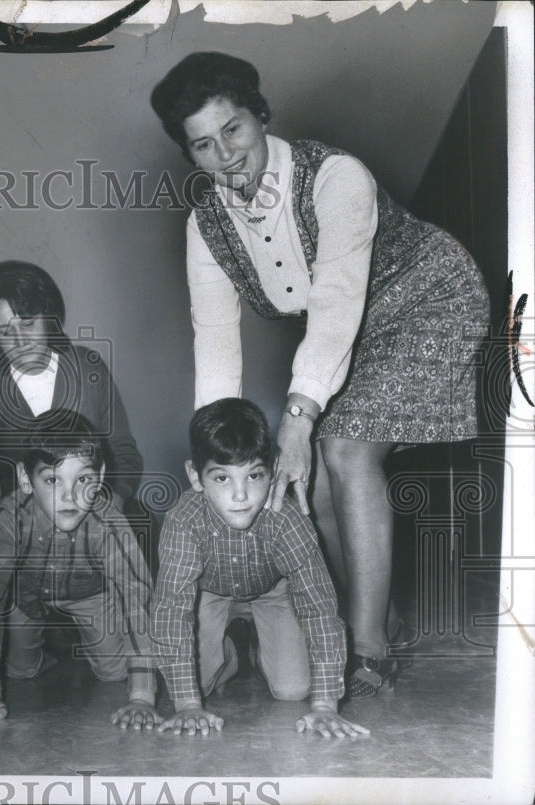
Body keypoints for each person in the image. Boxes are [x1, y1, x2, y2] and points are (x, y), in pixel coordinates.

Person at [149, 52, 490, 697]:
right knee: (317, 488)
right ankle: (378, 614)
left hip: (426, 300)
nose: (225, 154)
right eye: (202, 145)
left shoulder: (336, 176)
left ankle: (367, 649)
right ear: (188, 155)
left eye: (234, 130)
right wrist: (221, 455)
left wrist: (300, 415)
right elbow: (217, 340)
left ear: (262, 117)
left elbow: (334, 302)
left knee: (341, 446)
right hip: (352, 334)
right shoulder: (207, 227)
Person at [151, 398, 368, 739]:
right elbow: (172, 611)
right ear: (195, 476)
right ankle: (232, 654)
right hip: (207, 593)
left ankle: (260, 645)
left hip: (272, 591)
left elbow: (320, 610)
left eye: (254, 475)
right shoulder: (184, 520)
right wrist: (188, 705)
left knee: (294, 690)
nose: (241, 495)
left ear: (273, 468)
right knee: (196, 684)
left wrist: (325, 706)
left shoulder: (288, 520)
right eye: (222, 478)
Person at [0, 410, 157, 730]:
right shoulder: (7, 518)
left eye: (83, 479)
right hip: (26, 593)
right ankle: (44, 650)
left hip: (90, 590)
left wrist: (141, 697)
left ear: (101, 476)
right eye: (52, 480)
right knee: (19, 672)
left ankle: (72, 635)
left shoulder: (109, 521)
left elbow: (137, 598)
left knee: (115, 673)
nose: (70, 496)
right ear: (25, 479)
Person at [0, 261, 143, 546]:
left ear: (49, 318)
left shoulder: (89, 370)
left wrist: (110, 504)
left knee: (141, 519)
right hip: (24, 532)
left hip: (93, 512)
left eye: (29, 323)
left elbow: (123, 452)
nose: (21, 341)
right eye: (6, 332)